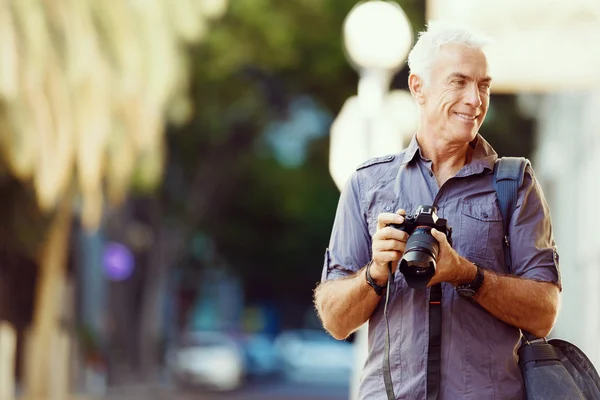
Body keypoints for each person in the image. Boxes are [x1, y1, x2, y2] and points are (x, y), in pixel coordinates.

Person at [313, 22, 561, 400]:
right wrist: (376, 272)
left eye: (483, 85)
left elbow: (544, 314)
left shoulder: (514, 183)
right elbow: (334, 320)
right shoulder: (367, 184)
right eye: (458, 82)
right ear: (418, 88)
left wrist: (467, 274)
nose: (475, 100)